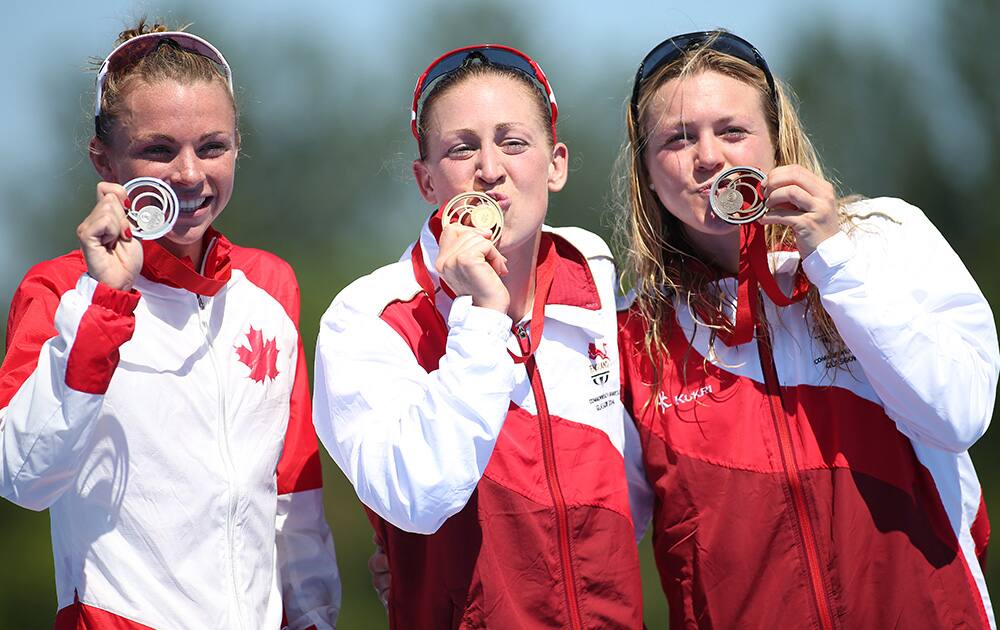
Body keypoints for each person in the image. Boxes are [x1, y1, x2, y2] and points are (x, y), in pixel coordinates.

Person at [616, 29, 999, 628]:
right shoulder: (632, 334)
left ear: (776, 142)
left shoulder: (885, 237)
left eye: (732, 131)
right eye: (678, 138)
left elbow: (958, 413)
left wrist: (835, 261)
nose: (709, 157)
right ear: (646, 167)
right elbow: (598, 538)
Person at [0, 22, 340, 628]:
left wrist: (314, 615)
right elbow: (23, 476)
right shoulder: (58, 290)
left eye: (212, 147)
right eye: (159, 149)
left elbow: (291, 489)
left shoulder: (269, 287)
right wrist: (107, 298)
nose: (189, 174)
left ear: (239, 145)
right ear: (103, 158)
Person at [313, 45, 645, 628]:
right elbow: (420, 497)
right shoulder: (366, 317)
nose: (489, 169)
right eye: (461, 148)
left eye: (513, 142)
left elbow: (632, 496)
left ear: (556, 164)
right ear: (425, 180)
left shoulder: (593, 275)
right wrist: (482, 316)